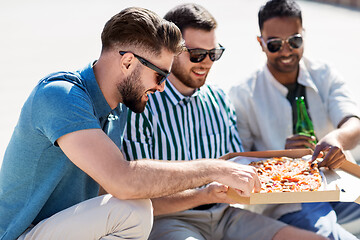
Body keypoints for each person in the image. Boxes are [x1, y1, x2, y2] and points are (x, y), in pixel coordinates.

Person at [0, 7, 269, 240]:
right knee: (133, 210)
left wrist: (206, 192)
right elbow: (123, 182)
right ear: (128, 62)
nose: (163, 88)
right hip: (21, 233)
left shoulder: (118, 111)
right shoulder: (61, 95)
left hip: (65, 229)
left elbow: (110, 190)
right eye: (160, 75)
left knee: (134, 206)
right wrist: (212, 168)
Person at [123, 3, 327, 240]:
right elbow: (142, 199)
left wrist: (293, 164)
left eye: (214, 53)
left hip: (227, 215)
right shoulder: (142, 104)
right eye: (197, 54)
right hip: (170, 220)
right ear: (169, 50)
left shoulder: (219, 98)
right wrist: (205, 194)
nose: (207, 62)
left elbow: (239, 164)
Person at [229, 0, 360, 239]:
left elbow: (353, 122)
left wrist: (337, 139)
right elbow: (238, 159)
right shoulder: (243, 93)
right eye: (275, 44)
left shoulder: (325, 73)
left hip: (338, 184)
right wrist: (282, 158)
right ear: (260, 44)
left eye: (295, 41)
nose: (286, 51)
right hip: (287, 200)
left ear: (304, 36)